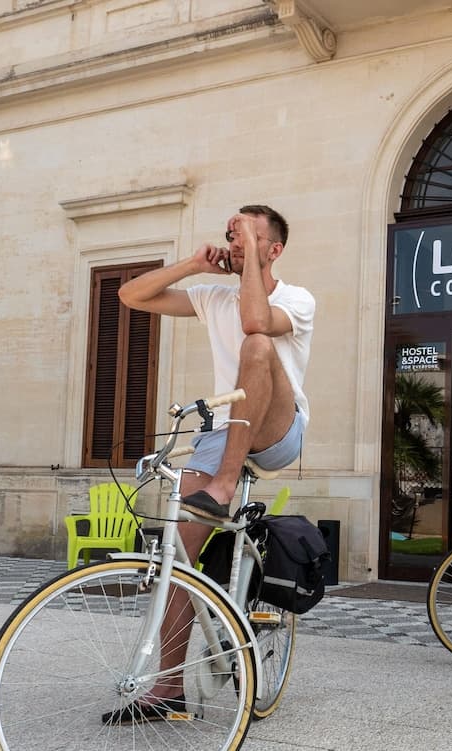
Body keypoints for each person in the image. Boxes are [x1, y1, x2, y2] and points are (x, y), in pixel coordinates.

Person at [109, 204, 314, 722]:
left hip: (277, 429)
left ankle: (224, 484)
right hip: (222, 433)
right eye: (231, 233)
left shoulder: (297, 299)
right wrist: (193, 265)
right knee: (178, 556)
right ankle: (167, 688)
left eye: (247, 234)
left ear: (275, 249)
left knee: (258, 342)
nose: (235, 240)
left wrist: (247, 262)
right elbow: (130, 296)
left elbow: (256, 321)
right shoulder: (212, 296)